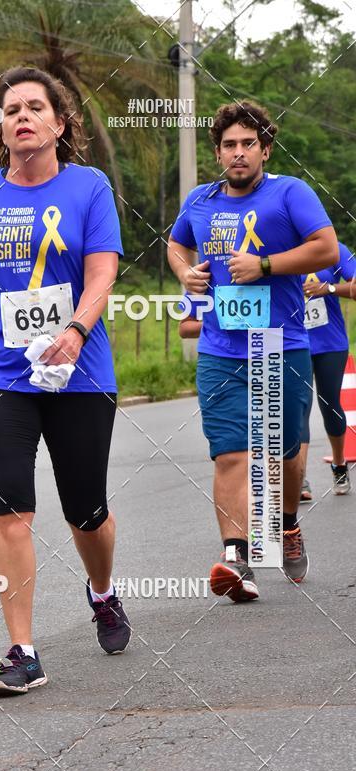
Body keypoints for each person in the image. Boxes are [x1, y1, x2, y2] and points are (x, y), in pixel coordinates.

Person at [0, 66, 131, 698]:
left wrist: (74, 329)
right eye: (11, 109)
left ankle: (101, 591)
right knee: (11, 507)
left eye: (33, 107)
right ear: (2, 129)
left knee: (87, 510)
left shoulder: (89, 187)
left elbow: (103, 273)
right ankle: (23, 650)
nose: (21, 116)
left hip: (79, 371)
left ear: (59, 122)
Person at [167, 100, 339, 601]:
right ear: (217, 152)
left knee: (285, 451)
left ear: (265, 148)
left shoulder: (290, 192)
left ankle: (285, 524)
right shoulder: (199, 201)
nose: (238, 154)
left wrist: (264, 266)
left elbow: (326, 248)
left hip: (280, 342)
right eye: (228, 145)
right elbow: (176, 245)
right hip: (221, 347)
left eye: (247, 144)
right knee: (230, 454)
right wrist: (183, 271)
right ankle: (236, 558)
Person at [299, 242, 356, 500]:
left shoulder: (333, 248)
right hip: (292, 342)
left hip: (329, 343)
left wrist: (328, 288)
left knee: (330, 405)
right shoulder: (277, 248)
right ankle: (298, 479)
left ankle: (339, 464)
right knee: (297, 407)